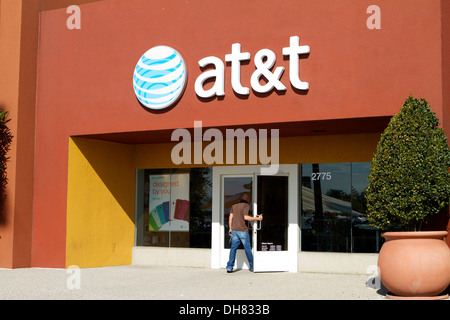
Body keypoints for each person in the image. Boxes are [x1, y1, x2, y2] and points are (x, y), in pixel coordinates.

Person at [226, 193, 263, 273]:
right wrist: (258, 218)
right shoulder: (246, 205)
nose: (250, 200)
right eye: (250, 198)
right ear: (247, 198)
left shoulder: (234, 205)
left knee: (233, 249)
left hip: (234, 230)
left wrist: (230, 229)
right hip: (242, 230)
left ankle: (229, 267)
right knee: (247, 249)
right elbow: (245, 217)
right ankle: (252, 266)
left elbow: (230, 218)